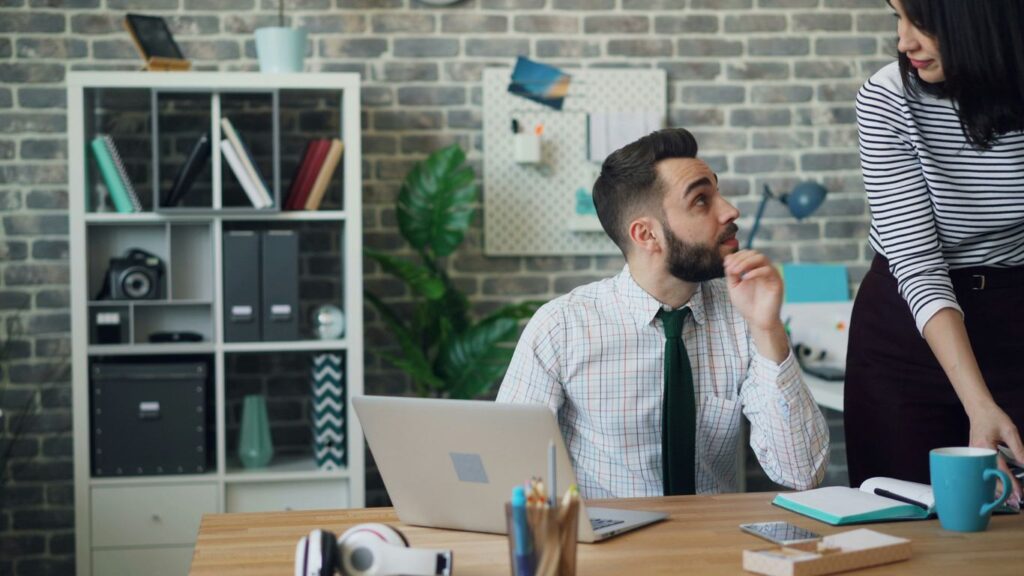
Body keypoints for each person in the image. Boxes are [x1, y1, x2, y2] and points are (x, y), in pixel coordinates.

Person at [496, 128, 829, 499]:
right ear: (646, 235)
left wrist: (767, 329)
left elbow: (803, 473)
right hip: (606, 547)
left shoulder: (743, 317)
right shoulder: (561, 328)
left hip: (715, 546)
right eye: (702, 200)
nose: (731, 210)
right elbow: (511, 469)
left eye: (717, 192)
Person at [846, 0, 1024, 506]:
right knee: (902, 519)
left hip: (1014, 311)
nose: (905, 41)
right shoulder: (887, 98)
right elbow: (919, 264)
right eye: (896, 18)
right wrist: (978, 403)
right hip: (908, 328)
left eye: (922, 22)